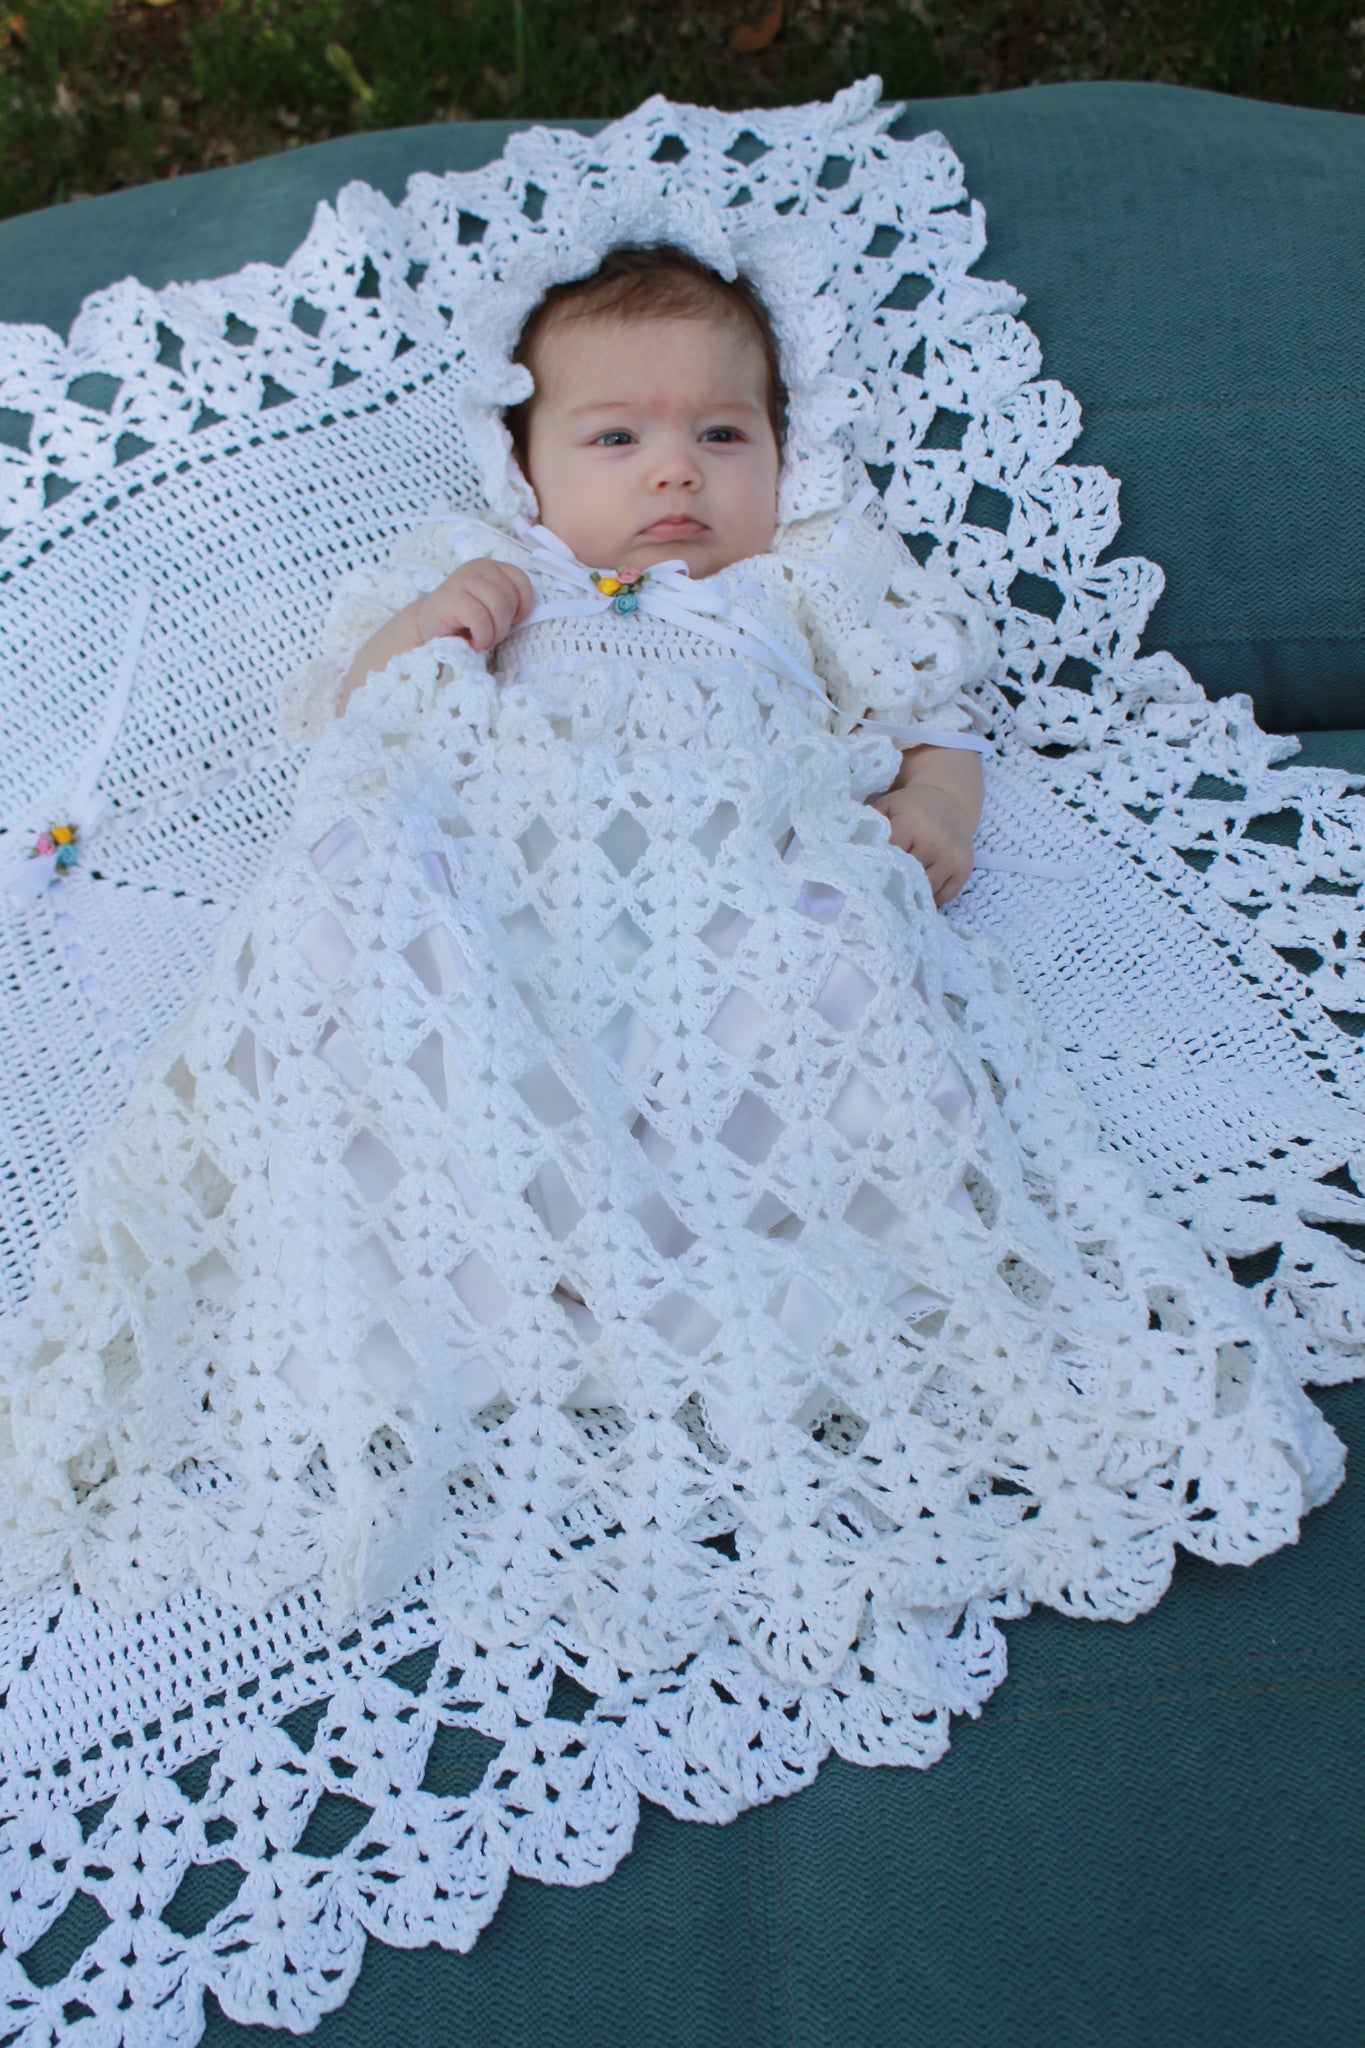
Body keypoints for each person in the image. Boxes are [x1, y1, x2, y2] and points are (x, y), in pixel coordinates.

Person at [0, 234, 1340, 1699]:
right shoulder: (494, 572)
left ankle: (747, 1280)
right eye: (616, 438)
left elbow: (931, 703)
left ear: (781, 453)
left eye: (722, 433)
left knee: (842, 964)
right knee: (350, 893)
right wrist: (432, 628)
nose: (674, 476)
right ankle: (482, 1258)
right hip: (499, 904)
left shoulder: (802, 586)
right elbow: (340, 718)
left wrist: (932, 808)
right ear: (525, 469)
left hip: (726, 892)